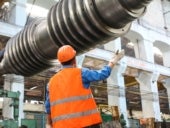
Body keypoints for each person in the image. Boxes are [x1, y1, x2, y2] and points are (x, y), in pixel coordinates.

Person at [45, 45, 124, 128]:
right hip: (86, 124)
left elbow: (48, 107)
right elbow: (102, 74)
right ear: (74, 60)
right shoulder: (81, 73)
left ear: (60, 62)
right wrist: (113, 61)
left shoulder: (51, 83)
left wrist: (48, 123)